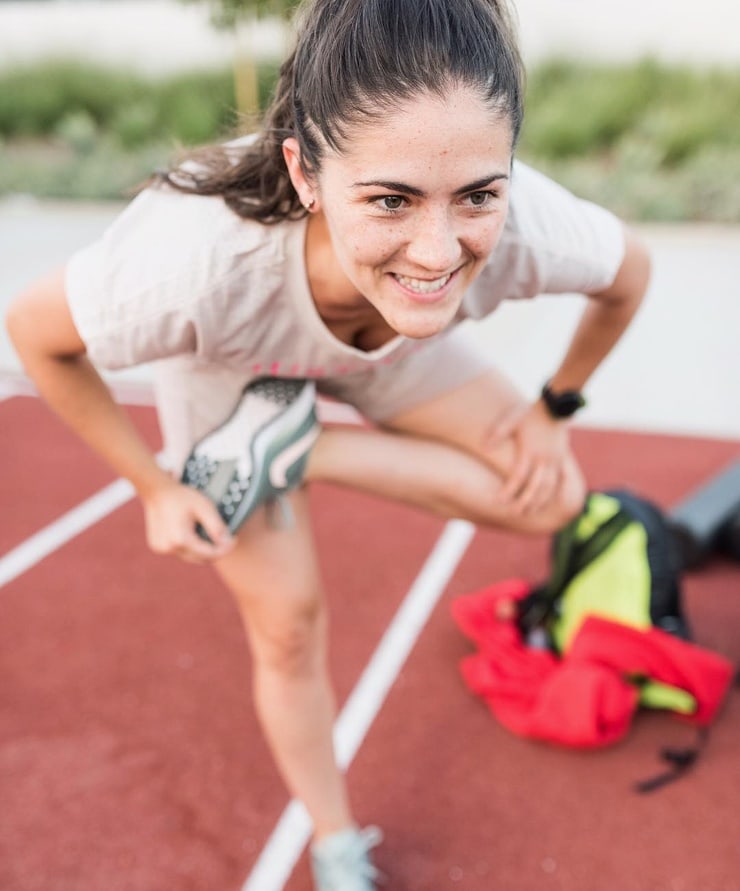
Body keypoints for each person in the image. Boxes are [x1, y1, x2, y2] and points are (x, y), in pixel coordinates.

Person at [5, 0, 651, 887]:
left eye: (477, 195)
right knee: (289, 627)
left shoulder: (524, 225)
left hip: (385, 346)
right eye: (390, 199)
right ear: (305, 173)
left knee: (551, 494)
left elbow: (631, 276)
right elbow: (36, 334)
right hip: (235, 367)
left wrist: (554, 406)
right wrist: (156, 487)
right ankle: (337, 841)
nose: (437, 250)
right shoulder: (194, 265)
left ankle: (302, 445)